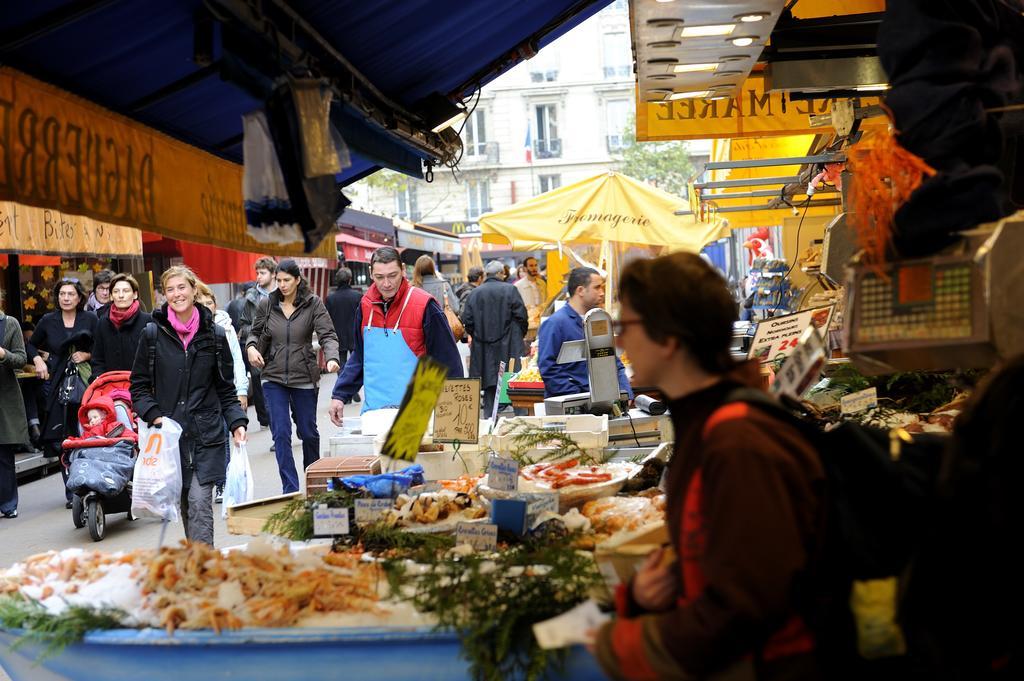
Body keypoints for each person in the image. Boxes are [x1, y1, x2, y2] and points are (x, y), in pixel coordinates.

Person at [590, 252, 823, 681]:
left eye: (628, 327)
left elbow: (747, 606)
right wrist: (652, 592)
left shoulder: (739, 443)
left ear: (669, 338)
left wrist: (620, 646)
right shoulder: (706, 423)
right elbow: (732, 553)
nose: (620, 343)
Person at [130, 266, 247, 547]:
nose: (176, 294)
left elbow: (225, 389)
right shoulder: (152, 335)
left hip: (206, 435)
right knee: (185, 502)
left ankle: (204, 565)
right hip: (170, 438)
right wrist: (154, 415)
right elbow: (138, 386)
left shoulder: (215, 336)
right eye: (170, 289)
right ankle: (198, 560)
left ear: (195, 290)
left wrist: (237, 422)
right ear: (164, 294)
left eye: (182, 287)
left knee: (198, 500)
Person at [329, 246, 464, 426]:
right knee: (378, 455)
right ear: (371, 273)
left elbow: (448, 359)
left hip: (416, 411)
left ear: (402, 270)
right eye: (380, 277)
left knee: (402, 454)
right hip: (375, 412)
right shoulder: (364, 305)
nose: (386, 283)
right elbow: (361, 355)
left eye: (392, 275)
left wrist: (457, 410)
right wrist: (340, 394)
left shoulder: (425, 305)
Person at [247, 259, 340, 493]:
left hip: (304, 376)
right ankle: (290, 488)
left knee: (308, 432)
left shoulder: (313, 303)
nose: (282, 285)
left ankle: (313, 483)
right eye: (278, 280)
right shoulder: (267, 304)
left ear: (298, 280)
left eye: (287, 280)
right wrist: (251, 347)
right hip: (273, 376)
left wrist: (332, 357)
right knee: (280, 433)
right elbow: (254, 332)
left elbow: (327, 334)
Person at [30, 278, 99, 508]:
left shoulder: (90, 318)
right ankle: (72, 490)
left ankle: (91, 483)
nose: (66, 298)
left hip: (86, 381)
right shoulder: (48, 321)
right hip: (60, 383)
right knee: (65, 438)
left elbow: (101, 345)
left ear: (79, 298)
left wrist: (87, 356)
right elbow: (31, 344)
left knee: (88, 432)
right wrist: (38, 359)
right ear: (57, 297)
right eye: (62, 294)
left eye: (71, 294)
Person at [537, 267, 631, 400]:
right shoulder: (555, 323)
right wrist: (579, 397)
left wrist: (625, 391)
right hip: (573, 407)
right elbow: (548, 369)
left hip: (603, 400)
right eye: (597, 287)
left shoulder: (599, 320)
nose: (602, 292)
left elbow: (612, 359)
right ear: (580, 290)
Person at [195, 281, 249, 503]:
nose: (207, 306)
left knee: (226, 436)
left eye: (210, 302)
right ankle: (218, 480)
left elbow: (236, 359)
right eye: (202, 303)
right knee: (215, 438)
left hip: (225, 389)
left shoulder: (225, 327)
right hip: (204, 393)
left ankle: (223, 482)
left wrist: (242, 390)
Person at [461, 260, 528, 416]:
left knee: (490, 386)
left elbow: (467, 320)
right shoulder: (510, 290)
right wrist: (519, 334)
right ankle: (521, 420)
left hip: (484, 348)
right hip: (510, 345)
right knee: (515, 383)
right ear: (500, 274)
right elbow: (522, 316)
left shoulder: (475, 293)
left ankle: (491, 424)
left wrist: (477, 334)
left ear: (486, 275)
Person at [239, 258, 276, 430]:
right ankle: (267, 420)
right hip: (260, 348)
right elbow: (243, 324)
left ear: (273, 274)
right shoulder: (251, 297)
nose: (258, 277)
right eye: (257, 273)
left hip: (281, 348)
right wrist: (256, 330)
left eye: (263, 273)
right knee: (264, 388)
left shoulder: (283, 293)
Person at [91, 273, 153, 376]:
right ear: (111, 296)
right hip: (110, 385)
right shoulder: (103, 322)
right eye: (116, 291)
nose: (121, 295)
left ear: (135, 294)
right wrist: (99, 378)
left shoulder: (148, 321)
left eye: (126, 291)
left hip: (140, 386)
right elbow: (97, 359)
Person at [0, 309, 29, 519]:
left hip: (4, 398)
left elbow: (21, 358)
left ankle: (8, 504)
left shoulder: (9, 323)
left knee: (3, 455)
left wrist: (3, 354)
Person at [325, 267, 362, 376]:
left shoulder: (330, 299)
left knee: (341, 366)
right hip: (355, 337)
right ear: (350, 279)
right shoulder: (358, 297)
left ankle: (344, 389)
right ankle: (353, 391)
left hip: (338, 337)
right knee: (357, 365)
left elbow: (327, 320)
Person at [513, 256, 545, 341]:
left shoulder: (542, 284)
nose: (534, 268)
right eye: (531, 266)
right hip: (526, 326)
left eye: (535, 265)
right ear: (525, 268)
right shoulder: (517, 286)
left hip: (541, 324)